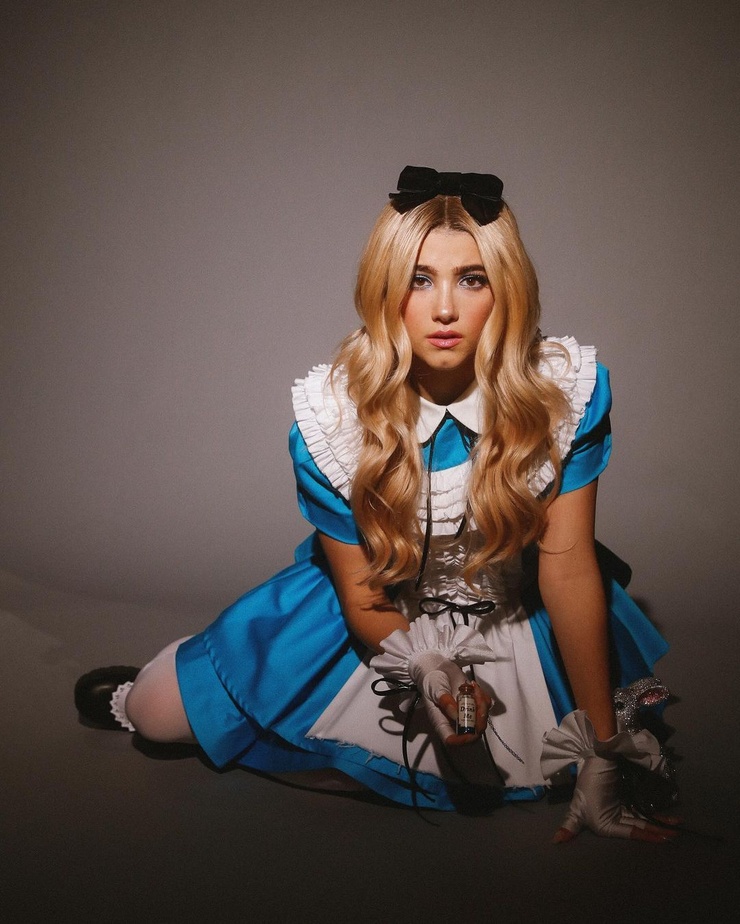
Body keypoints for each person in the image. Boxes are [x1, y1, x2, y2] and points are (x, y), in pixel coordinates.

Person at [75, 166, 678, 842]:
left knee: (515, 769)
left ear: (505, 290)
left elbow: (566, 572)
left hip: (518, 611)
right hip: (384, 618)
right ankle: (190, 668)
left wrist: (601, 749)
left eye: (471, 279)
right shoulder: (333, 418)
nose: (444, 309)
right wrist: (432, 671)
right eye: (419, 279)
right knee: (157, 717)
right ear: (384, 288)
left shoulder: (563, 392)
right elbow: (363, 599)